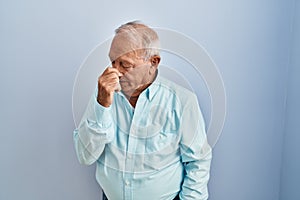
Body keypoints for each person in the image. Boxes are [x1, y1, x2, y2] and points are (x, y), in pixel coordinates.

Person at [73, 21, 212, 200]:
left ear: (153, 62)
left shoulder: (182, 101)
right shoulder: (103, 94)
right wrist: (102, 105)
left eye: (125, 64)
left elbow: (198, 162)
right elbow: (85, 156)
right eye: (112, 62)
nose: (114, 71)